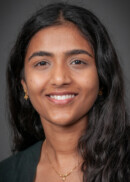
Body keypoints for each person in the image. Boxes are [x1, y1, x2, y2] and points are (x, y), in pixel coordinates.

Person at [0, 2, 129, 182]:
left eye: (77, 62)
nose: (60, 79)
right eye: (42, 63)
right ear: (24, 85)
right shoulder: (6, 174)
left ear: (102, 77)